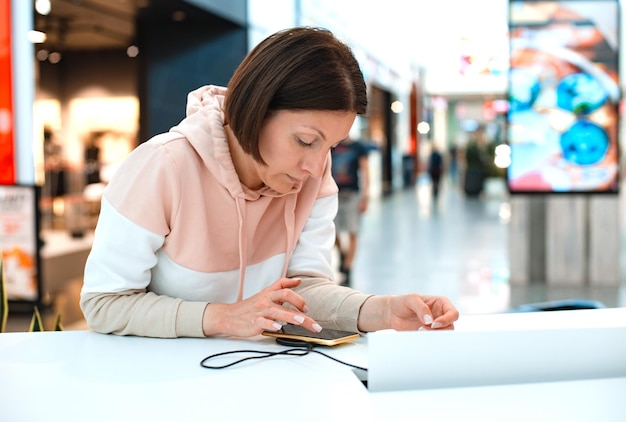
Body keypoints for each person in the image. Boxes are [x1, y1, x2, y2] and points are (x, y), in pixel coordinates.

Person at [80, 27, 459, 339]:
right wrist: (221, 317)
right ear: (256, 107)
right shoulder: (163, 166)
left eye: (330, 145)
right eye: (306, 141)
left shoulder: (313, 175)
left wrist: (383, 310)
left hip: (260, 381)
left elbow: (302, 292)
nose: (315, 165)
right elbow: (104, 304)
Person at [331, 136, 370, 286]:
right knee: (333, 233)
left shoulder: (358, 146)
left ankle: (348, 268)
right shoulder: (332, 145)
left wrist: (365, 196)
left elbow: (365, 171)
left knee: (353, 232)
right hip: (334, 195)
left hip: (352, 195)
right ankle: (342, 254)